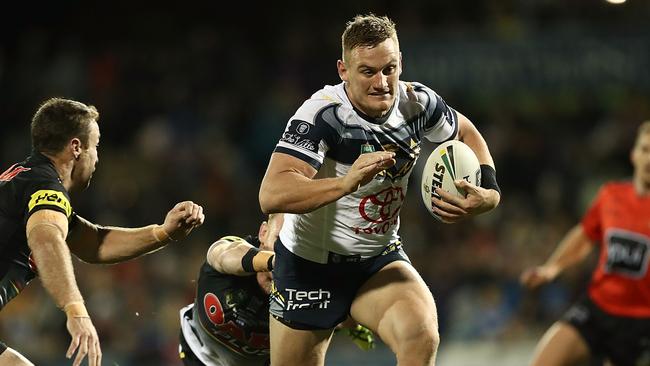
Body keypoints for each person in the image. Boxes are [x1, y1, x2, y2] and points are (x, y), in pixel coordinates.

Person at [258, 14, 501, 366]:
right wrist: (345, 182)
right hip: (308, 266)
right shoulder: (323, 115)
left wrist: (491, 192)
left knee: (421, 335)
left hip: (377, 261)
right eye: (368, 72)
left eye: (389, 69)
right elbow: (273, 192)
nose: (382, 83)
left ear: (401, 63)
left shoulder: (418, 103)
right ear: (344, 70)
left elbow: (464, 131)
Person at [0, 98, 205, 366]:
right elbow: (46, 238)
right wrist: (76, 311)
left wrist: (162, 233)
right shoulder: (45, 188)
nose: (96, 157)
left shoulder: (26, 183)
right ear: (76, 147)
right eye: (95, 146)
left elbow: (94, 243)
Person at [520, 121, 650, 366]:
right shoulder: (612, 195)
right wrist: (551, 268)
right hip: (597, 309)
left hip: (641, 323)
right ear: (634, 154)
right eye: (645, 150)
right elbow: (584, 236)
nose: (649, 159)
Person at [178, 213, 375, 366]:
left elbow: (333, 311)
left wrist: (350, 323)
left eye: (299, 248)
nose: (290, 253)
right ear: (263, 233)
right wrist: (278, 262)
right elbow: (222, 254)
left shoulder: (310, 285)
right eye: (281, 241)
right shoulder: (231, 250)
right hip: (198, 355)